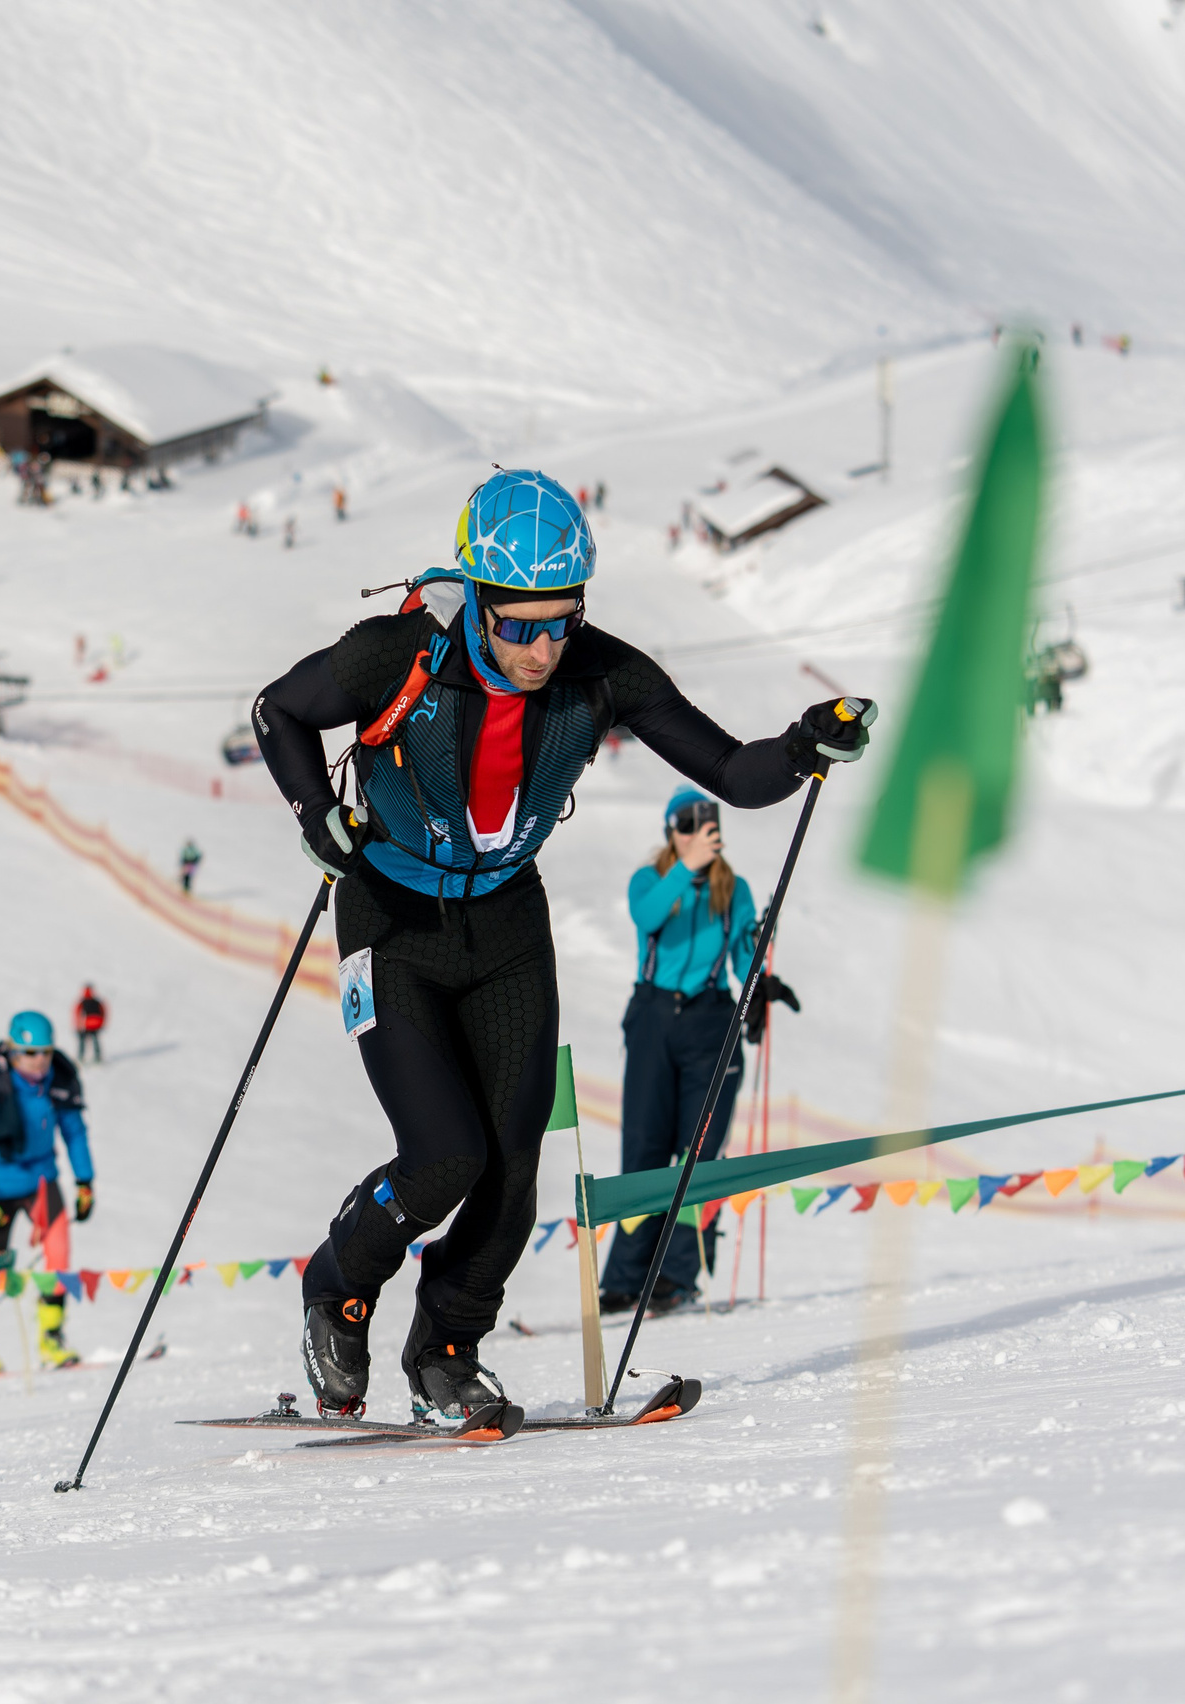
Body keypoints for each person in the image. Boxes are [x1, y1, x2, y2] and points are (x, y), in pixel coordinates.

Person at [252, 470, 872, 1427]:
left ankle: (447, 1353)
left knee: (511, 1174)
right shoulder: (398, 654)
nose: (544, 648)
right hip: (392, 922)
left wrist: (804, 745)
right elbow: (277, 712)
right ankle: (337, 1287)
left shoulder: (604, 672)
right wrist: (315, 815)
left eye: (563, 621)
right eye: (521, 625)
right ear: (479, 605)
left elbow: (736, 776)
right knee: (442, 1158)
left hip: (506, 927)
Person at [596, 788, 799, 1314]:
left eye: (703, 823)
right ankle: (624, 1277)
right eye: (685, 824)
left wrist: (759, 987)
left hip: (711, 1022)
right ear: (671, 832)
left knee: (698, 1152)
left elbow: (742, 957)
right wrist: (687, 868)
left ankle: (677, 1273)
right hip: (653, 1018)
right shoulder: (653, 881)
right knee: (643, 1148)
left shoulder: (735, 890)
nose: (695, 832)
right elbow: (648, 917)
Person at [0, 1011, 97, 1374]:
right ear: (13, 1053)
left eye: (45, 1051)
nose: (40, 1060)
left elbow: (74, 1131)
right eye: (30, 1053)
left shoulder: (59, 1081)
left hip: (42, 1183)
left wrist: (84, 1181)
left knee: (59, 1255)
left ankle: (52, 1339)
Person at [74, 984, 108, 1063]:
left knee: (82, 1041)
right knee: (95, 1040)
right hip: (96, 1024)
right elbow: (103, 1012)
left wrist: (78, 1026)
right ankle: (98, 1056)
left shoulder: (82, 1002)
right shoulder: (97, 1002)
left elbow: (77, 1014)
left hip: (86, 1025)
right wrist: (102, 1023)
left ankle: (80, 1057)